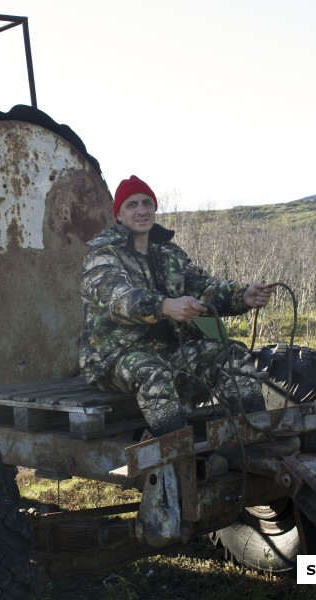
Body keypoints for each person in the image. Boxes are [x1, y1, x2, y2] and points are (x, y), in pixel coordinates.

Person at [80, 175, 273, 435]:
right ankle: (179, 456)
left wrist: (242, 295)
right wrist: (164, 306)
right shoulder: (103, 256)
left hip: (169, 351)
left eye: (147, 203)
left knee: (232, 353)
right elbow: (117, 299)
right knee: (153, 372)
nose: (141, 210)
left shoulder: (169, 253)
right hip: (115, 358)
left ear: (155, 209)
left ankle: (255, 439)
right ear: (119, 215)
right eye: (132, 205)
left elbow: (203, 287)